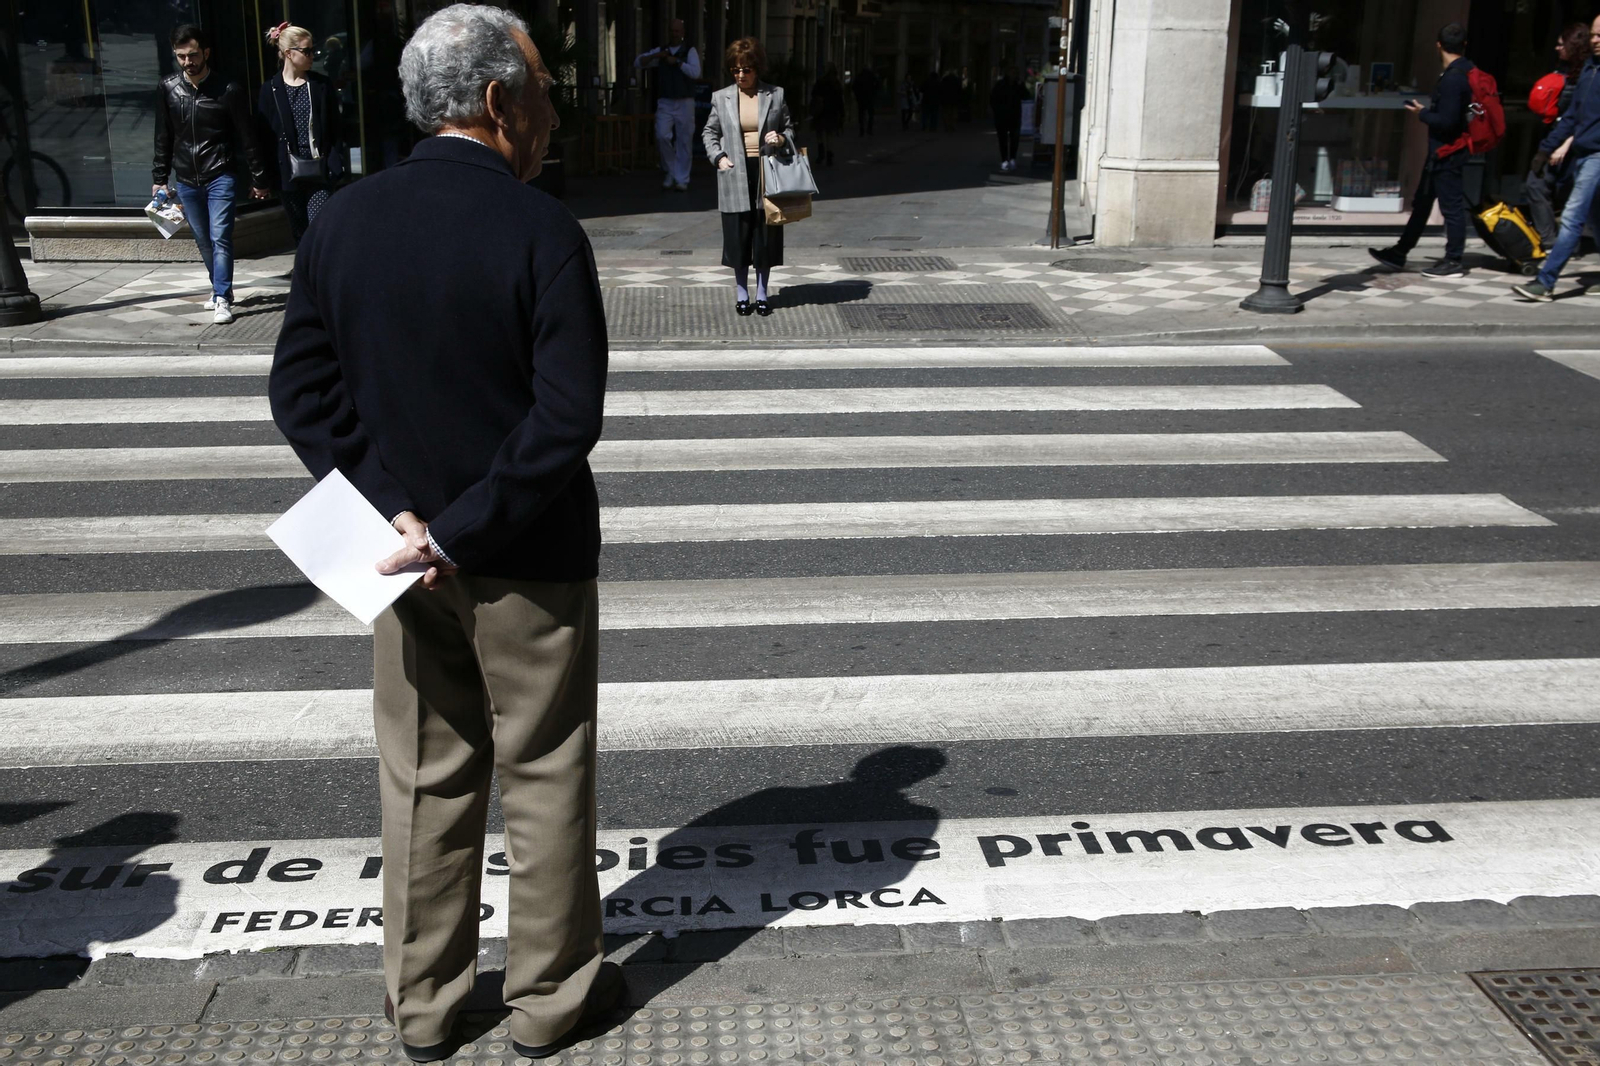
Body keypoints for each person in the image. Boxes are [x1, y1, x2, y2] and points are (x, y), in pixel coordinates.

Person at [268, 5, 620, 1060]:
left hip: (390, 554)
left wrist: (397, 514)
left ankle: (423, 1004)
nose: (555, 109)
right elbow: (566, 415)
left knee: (424, 774)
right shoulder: (542, 229)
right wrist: (459, 529)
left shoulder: (341, 218)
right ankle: (548, 999)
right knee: (545, 769)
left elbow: (300, 389)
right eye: (547, 89)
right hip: (525, 553)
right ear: (500, 102)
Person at [153, 24, 269, 325]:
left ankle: (221, 296)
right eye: (181, 57)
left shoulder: (228, 89)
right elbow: (163, 136)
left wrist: (258, 178)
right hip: (187, 177)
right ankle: (220, 290)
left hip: (220, 173)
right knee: (203, 239)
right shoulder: (168, 88)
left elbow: (248, 137)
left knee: (221, 237)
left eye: (192, 55)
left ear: (206, 53)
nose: (187, 62)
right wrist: (159, 177)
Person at [1368, 23, 1476, 279]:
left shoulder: (1454, 78)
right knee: (1422, 204)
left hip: (1448, 152)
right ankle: (1399, 252)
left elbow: (1447, 121)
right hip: (1440, 152)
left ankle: (1454, 260)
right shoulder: (1463, 72)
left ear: (1438, 45)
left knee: (1451, 206)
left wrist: (1422, 113)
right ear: (1464, 45)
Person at [702, 37, 795, 317]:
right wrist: (719, 157)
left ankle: (763, 292)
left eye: (746, 69)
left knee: (765, 236)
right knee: (738, 236)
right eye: (735, 70)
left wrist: (780, 138)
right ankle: (742, 292)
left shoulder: (775, 95)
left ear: (757, 68)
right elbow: (709, 133)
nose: (741, 75)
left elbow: (790, 130)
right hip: (734, 173)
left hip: (768, 172)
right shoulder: (721, 97)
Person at [1514, 15, 1600, 301]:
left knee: (1573, 216)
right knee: (1595, 217)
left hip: (1597, 156)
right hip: (1584, 154)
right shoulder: (1590, 69)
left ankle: (1545, 281)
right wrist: (1546, 148)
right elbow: (1573, 117)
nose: (1595, 41)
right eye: (1593, 35)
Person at [257, 22, 344, 242]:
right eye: (306, 51)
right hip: (287, 171)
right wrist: (263, 176)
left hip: (319, 167)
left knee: (319, 227)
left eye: (312, 50)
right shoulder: (270, 89)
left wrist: (335, 162)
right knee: (299, 231)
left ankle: (318, 273)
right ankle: (306, 273)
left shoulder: (320, 85)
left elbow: (335, 126)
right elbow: (264, 136)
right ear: (288, 53)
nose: (312, 55)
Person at [1524, 22, 1590, 248]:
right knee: (1546, 188)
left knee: (1542, 186)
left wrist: (1562, 146)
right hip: (1556, 141)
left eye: (1562, 44)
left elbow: (1580, 118)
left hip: (1569, 146)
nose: (1556, 48)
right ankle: (1556, 240)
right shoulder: (1567, 72)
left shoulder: (1588, 76)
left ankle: (1555, 241)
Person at [635, 19, 701, 191]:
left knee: (684, 141)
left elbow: (696, 72)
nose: (674, 34)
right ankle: (672, 171)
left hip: (685, 100)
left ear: (683, 33)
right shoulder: (661, 51)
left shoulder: (689, 51)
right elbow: (638, 62)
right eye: (672, 31)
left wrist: (678, 63)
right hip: (665, 101)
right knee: (662, 135)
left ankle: (682, 179)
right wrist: (656, 56)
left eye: (677, 31)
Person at [990, 68, 1024, 171]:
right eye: (1012, 72)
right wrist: (997, 111)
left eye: (1015, 73)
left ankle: (1012, 158)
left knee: (1014, 138)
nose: (1013, 75)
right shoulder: (1000, 85)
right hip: (1002, 116)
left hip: (1014, 116)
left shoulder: (1017, 85)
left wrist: (1021, 85)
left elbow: (1026, 95)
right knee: (1003, 139)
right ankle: (1005, 159)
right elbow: (993, 99)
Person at [811, 64, 845, 166]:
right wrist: (842, 113)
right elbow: (840, 101)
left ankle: (821, 153)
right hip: (832, 112)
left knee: (820, 133)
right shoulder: (836, 84)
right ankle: (829, 154)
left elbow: (813, 94)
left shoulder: (820, 82)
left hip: (821, 112)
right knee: (829, 134)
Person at [852, 64, 879, 136]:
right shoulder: (872, 76)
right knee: (871, 114)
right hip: (870, 98)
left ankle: (862, 129)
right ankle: (869, 129)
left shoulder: (859, 76)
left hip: (861, 98)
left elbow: (854, 87)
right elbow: (878, 85)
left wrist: (857, 96)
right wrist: (874, 93)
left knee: (861, 114)